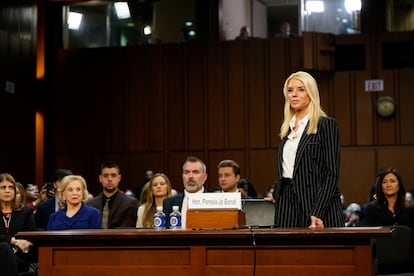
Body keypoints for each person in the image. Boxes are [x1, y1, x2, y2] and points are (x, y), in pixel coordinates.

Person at [274, 71, 343, 228]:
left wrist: (317, 210)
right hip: (287, 204)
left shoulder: (326, 125)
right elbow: (287, 168)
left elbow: (331, 173)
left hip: (317, 203)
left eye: (301, 89)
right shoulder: (287, 129)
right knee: (286, 251)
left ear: (311, 93)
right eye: (290, 90)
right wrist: (277, 193)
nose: (294, 95)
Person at [0, 173, 37, 274]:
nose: (7, 190)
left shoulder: (25, 212)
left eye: (11, 187)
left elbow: (32, 235)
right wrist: (13, 240)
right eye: (3, 187)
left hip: (19, 256)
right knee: (3, 248)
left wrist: (17, 247)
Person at [87, 161, 138, 228]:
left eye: (113, 175)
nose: (109, 179)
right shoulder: (90, 204)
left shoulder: (130, 203)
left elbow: (126, 230)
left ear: (119, 178)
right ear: (100, 178)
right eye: (105, 176)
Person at [163, 156, 207, 229]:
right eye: (186, 172)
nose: (190, 176)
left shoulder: (213, 201)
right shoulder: (169, 203)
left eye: (196, 172)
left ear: (205, 177)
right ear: (182, 176)